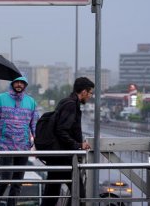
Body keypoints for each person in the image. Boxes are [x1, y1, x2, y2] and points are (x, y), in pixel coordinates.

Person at [40, 77, 94, 206]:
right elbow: (61, 130)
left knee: (51, 195)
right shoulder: (70, 105)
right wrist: (78, 145)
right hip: (62, 157)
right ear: (84, 92)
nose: (91, 96)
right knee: (79, 195)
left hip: (58, 156)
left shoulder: (66, 102)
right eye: (91, 92)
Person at [0, 76, 39, 206]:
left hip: (23, 146)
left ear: (25, 85)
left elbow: (34, 125)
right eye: (16, 82)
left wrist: (37, 142)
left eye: (22, 83)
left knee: (18, 181)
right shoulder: (0, 99)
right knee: (5, 178)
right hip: (4, 145)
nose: (19, 85)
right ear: (12, 83)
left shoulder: (31, 102)